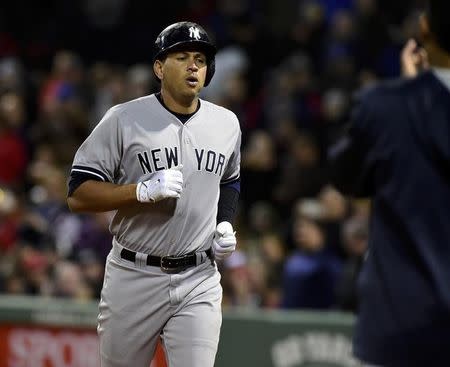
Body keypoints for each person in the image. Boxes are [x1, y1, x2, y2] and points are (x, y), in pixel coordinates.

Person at [67, 21, 241, 367]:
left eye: (200, 59)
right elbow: (79, 194)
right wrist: (139, 191)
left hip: (199, 277)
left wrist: (224, 224)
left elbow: (230, 181)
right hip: (135, 275)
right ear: (159, 68)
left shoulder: (227, 124)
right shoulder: (123, 118)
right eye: (181, 57)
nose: (194, 65)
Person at [328, 1, 450, 365]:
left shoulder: (384, 107)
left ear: (424, 30)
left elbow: (346, 177)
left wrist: (412, 90)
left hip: (398, 328)